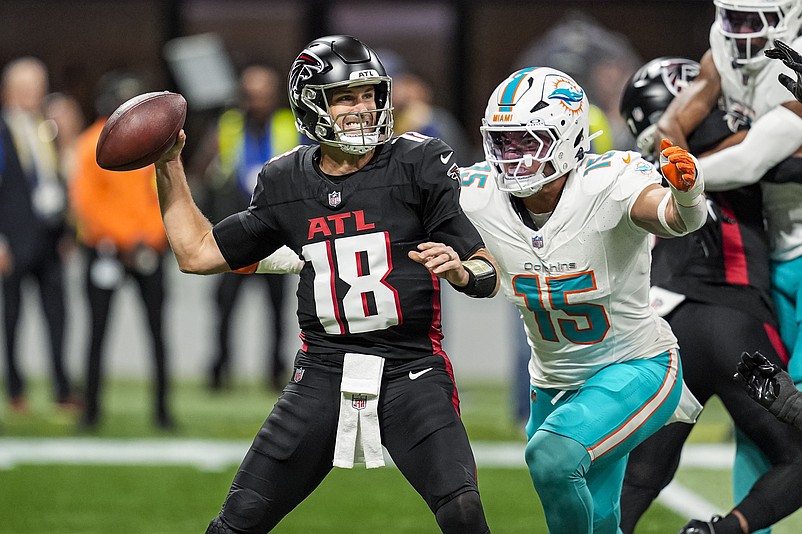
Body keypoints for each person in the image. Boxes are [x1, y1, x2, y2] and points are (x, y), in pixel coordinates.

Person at [155, 35, 499, 533]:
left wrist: (464, 271)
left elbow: (484, 269)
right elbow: (197, 252)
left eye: (369, 95)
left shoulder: (417, 162)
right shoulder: (285, 180)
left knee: (463, 509)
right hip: (322, 372)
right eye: (345, 98)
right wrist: (167, 165)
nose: (362, 109)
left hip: (410, 370)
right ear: (312, 104)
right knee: (238, 520)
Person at [457, 65, 705, 533]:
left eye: (529, 142)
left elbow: (673, 217)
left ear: (569, 138)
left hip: (636, 366)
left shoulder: (608, 181)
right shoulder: (477, 193)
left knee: (552, 457)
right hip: (552, 382)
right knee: (601, 516)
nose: (515, 158)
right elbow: (391, 224)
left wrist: (687, 194)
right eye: (505, 143)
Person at [617, 56, 802, 534]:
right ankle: (719, 533)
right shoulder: (717, 139)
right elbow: (773, 159)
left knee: (641, 474)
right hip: (733, 330)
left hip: (669, 336)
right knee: (798, 456)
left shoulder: (636, 168)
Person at [69, 71, 175, 430]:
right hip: (106, 250)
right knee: (97, 333)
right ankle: (91, 411)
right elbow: (87, 204)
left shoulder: (151, 145)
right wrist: (126, 239)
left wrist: (151, 238)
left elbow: (164, 196)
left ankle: (162, 411)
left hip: (147, 250)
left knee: (158, 332)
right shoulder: (89, 145)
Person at [189, 64, 302, 391]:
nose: (258, 101)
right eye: (252, 94)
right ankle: (220, 370)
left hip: (277, 236)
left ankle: (275, 372)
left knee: (277, 311)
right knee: (224, 308)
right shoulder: (227, 126)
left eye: (264, 94)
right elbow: (202, 170)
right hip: (234, 233)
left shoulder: (288, 125)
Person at [0, 57, 78, 413]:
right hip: (14, 239)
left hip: (49, 237)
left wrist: (65, 231)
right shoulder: (2, 130)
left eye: (38, 85)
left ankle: (62, 387)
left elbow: (56, 182)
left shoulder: (48, 128)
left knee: (58, 316)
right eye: (26, 86)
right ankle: (15, 389)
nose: (34, 92)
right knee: (13, 318)